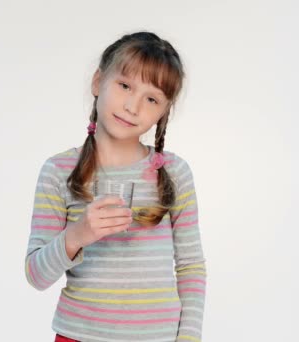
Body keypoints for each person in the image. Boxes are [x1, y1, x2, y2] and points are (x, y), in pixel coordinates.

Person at [24, 31, 207, 342]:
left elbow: (191, 267)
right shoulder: (59, 171)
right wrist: (77, 235)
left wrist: (188, 338)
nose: (132, 107)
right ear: (98, 82)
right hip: (78, 335)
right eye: (125, 86)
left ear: (163, 112)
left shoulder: (175, 172)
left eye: (151, 99)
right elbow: (36, 276)